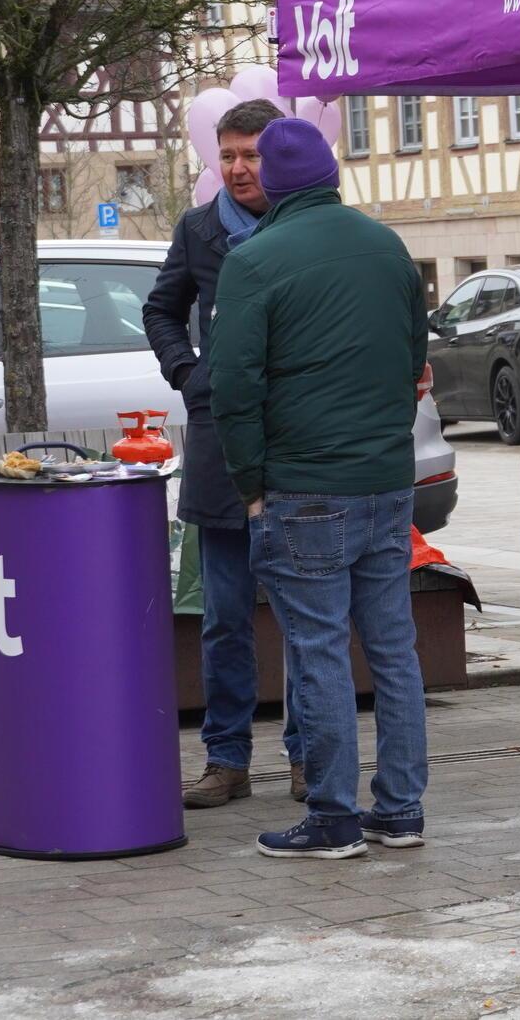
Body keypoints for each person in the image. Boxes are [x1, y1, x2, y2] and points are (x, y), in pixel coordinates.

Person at [208, 116, 431, 861]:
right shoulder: (389, 246)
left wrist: (250, 485)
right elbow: (413, 361)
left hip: (303, 488)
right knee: (394, 650)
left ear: (271, 179)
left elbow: (234, 387)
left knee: (319, 650)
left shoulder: (255, 260)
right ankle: (400, 809)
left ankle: (333, 816)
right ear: (331, 173)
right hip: (385, 481)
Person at [143, 97, 307, 809]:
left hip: (298, 442)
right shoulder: (199, 229)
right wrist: (189, 373)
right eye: (228, 156)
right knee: (224, 615)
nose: (239, 169)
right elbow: (161, 308)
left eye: (252, 155)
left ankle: (311, 755)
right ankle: (227, 760)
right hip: (218, 447)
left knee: (308, 615)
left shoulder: (308, 225)